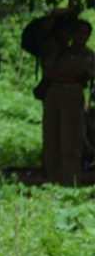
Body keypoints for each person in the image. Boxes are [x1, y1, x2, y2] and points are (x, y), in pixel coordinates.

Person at [41, 15, 94, 185]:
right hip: (54, 93)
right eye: (78, 33)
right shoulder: (60, 51)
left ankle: (71, 181)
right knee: (51, 137)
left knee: (70, 140)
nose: (81, 37)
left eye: (85, 34)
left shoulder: (88, 56)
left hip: (73, 93)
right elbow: (48, 69)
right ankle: (53, 179)